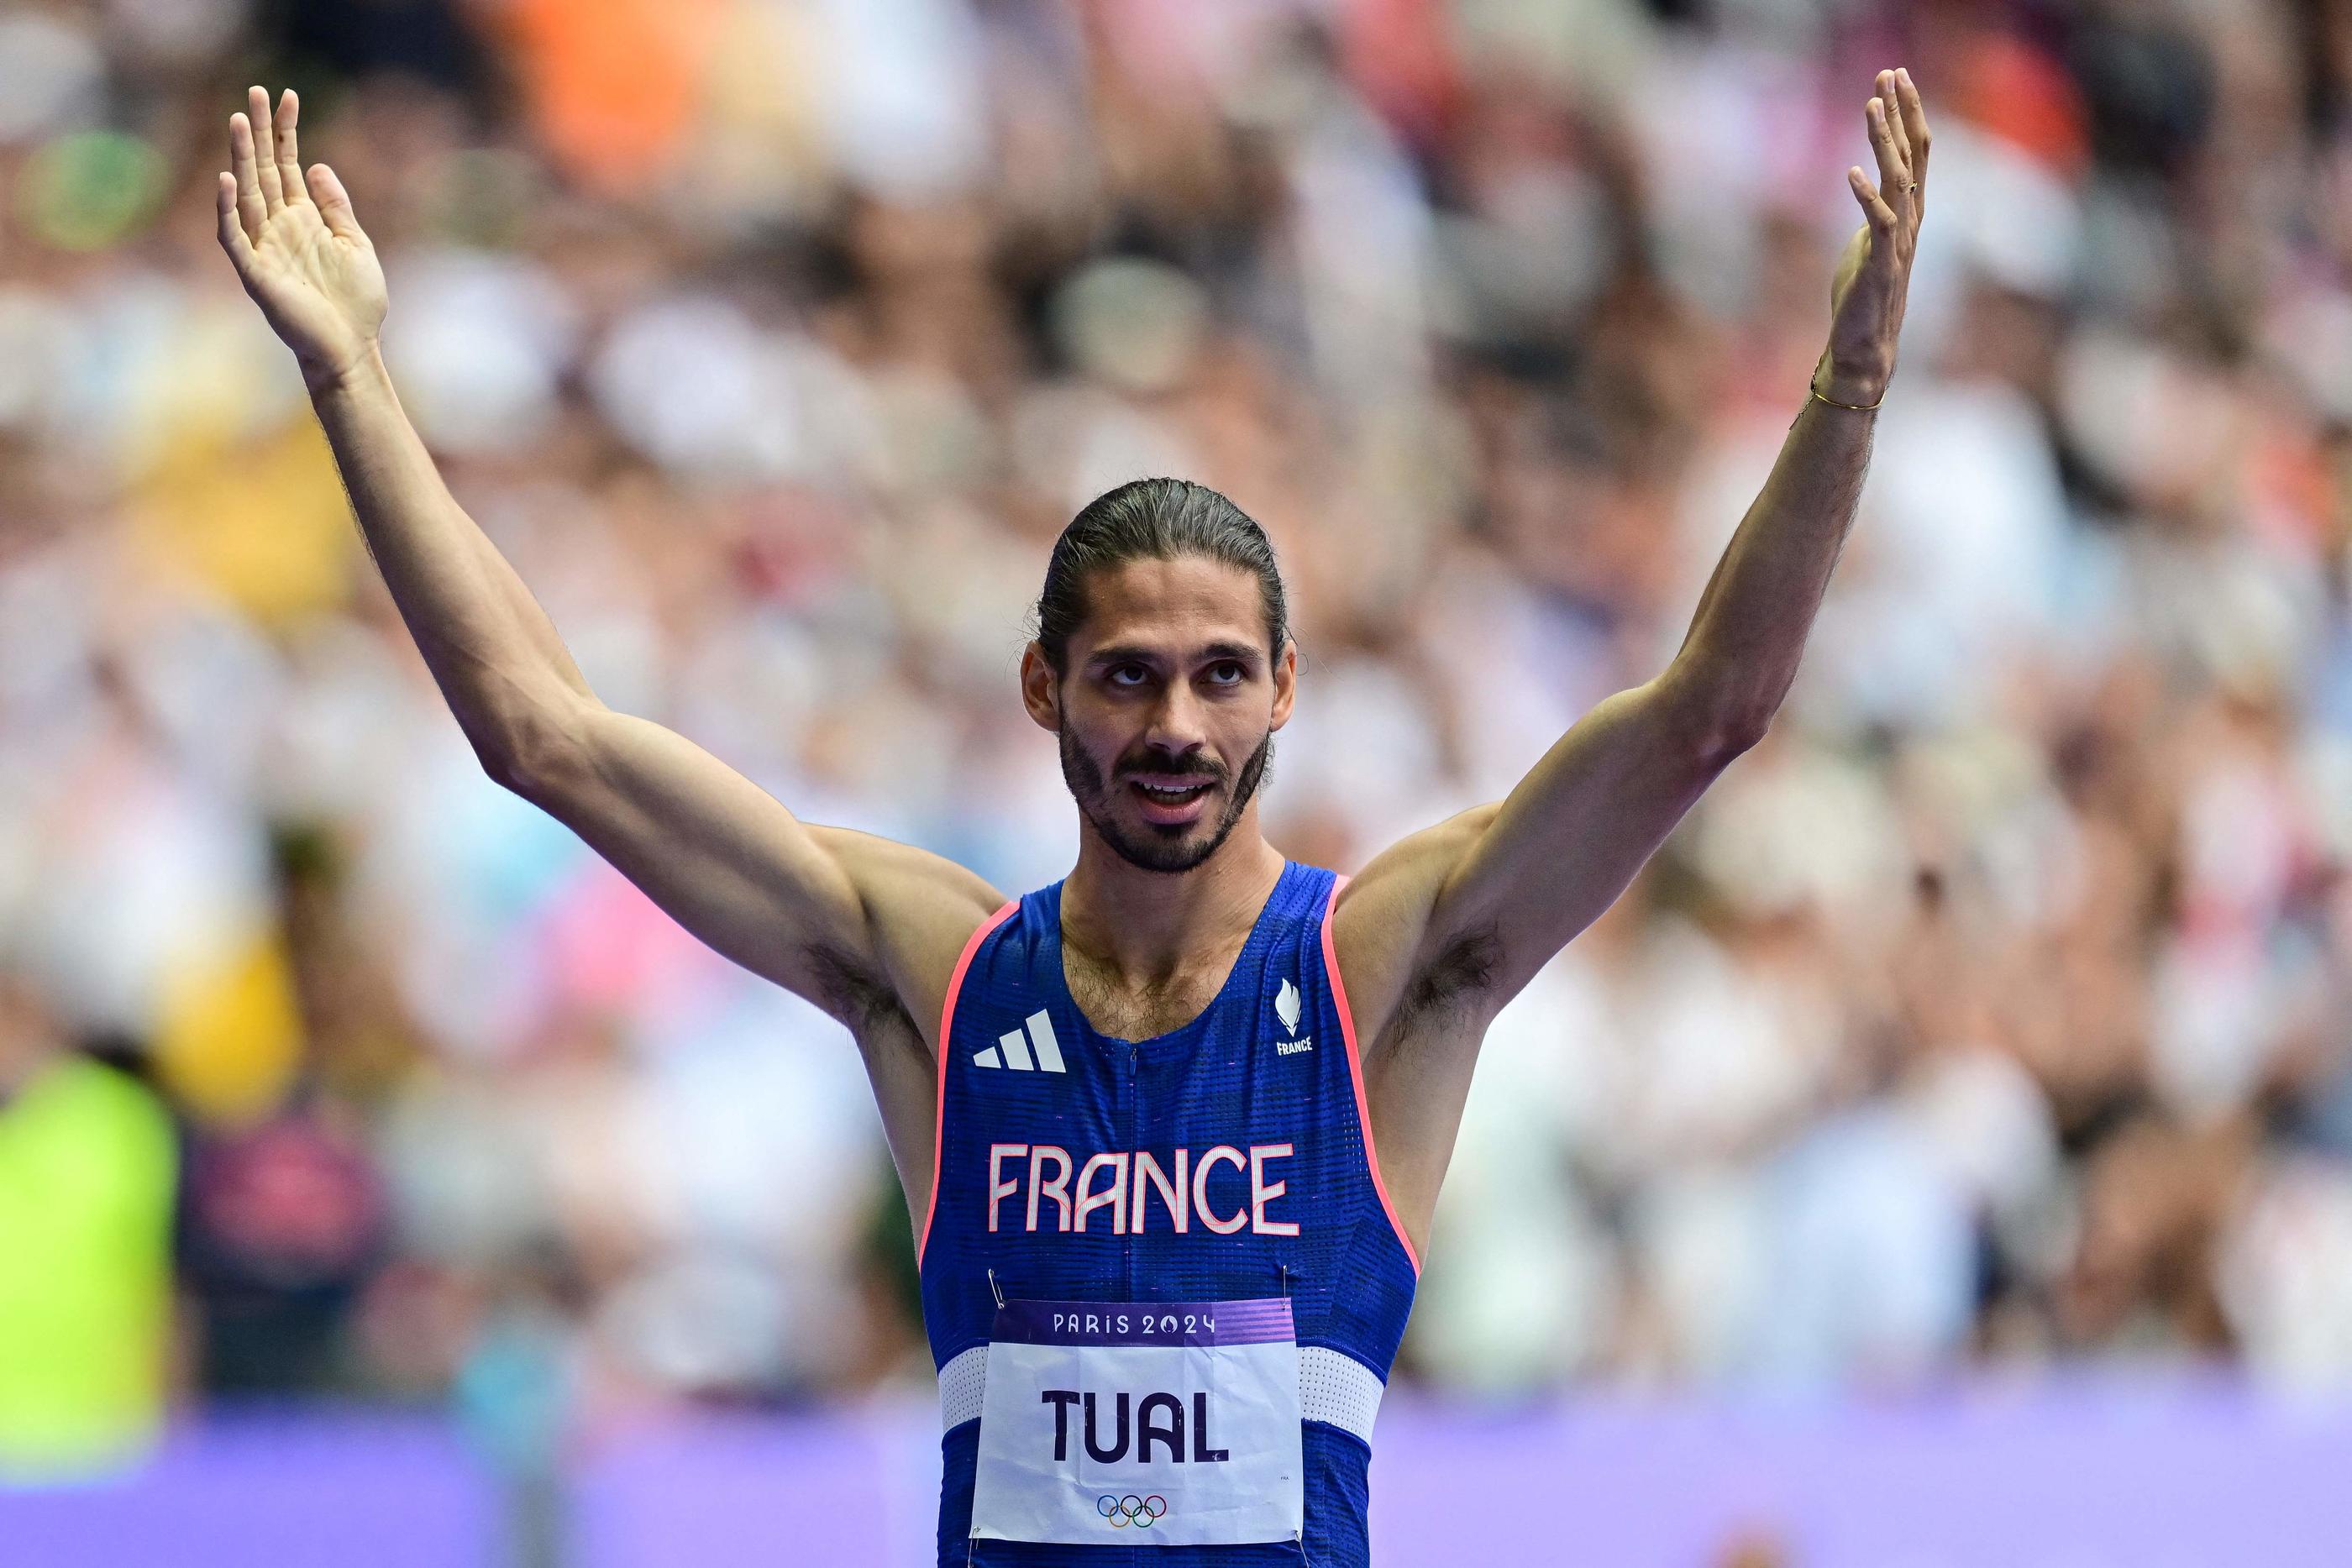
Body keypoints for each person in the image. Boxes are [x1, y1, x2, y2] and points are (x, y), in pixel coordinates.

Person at [214, 68, 1931, 1566]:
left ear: (1281, 692)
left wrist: (1843, 394)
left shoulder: (1384, 966)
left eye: (1213, 676)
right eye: (1122, 677)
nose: (1172, 727)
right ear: (1042, 691)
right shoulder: (936, 973)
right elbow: (543, 738)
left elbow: (1710, 707)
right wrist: (355, 377)